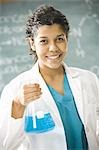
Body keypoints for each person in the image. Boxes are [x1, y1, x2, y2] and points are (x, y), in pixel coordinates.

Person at [0, 4, 99, 150]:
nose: (53, 48)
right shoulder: (15, 90)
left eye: (59, 39)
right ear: (32, 43)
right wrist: (18, 105)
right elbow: (6, 146)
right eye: (44, 41)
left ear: (67, 39)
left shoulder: (89, 80)